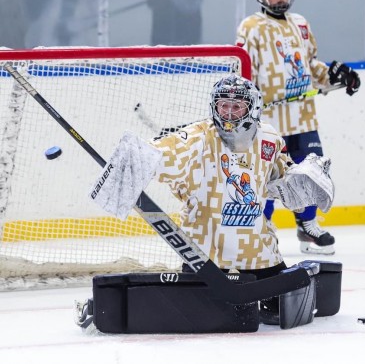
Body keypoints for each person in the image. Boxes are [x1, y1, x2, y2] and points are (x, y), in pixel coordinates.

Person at [90, 74, 335, 324]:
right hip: (207, 256)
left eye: (237, 106)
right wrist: (138, 158)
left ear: (253, 108)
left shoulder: (269, 139)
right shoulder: (197, 139)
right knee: (207, 318)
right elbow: (165, 153)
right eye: (223, 105)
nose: (228, 113)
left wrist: (302, 180)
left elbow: (280, 176)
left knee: (283, 312)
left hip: (258, 251)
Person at [236, 0, 360, 255]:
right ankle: (261, 229)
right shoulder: (250, 27)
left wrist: (336, 75)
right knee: (266, 174)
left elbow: (311, 65)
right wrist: (248, 104)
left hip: (303, 116)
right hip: (268, 120)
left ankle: (308, 226)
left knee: (309, 171)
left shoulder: (300, 24)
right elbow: (243, 70)